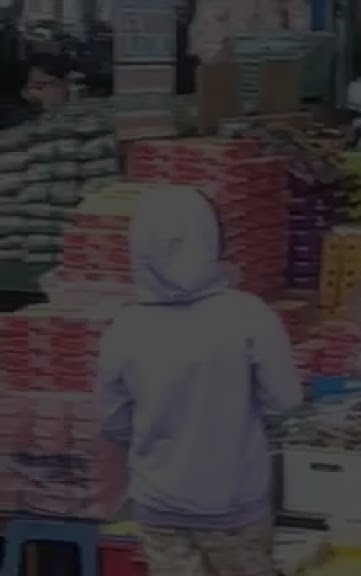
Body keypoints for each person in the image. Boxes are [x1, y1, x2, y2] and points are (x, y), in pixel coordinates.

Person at [95, 185, 303, 575]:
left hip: (159, 506)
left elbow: (114, 422)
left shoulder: (124, 329)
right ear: (210, 240)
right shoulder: (248, 316)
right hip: (235, 503)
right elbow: (285, 400)